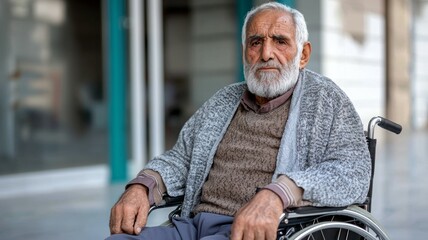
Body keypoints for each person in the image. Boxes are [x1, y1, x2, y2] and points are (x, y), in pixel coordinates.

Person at [107, 2, 371, 240]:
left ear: (303, 54)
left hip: (258, 232)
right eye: (256, 42)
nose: (266, 53)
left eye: (280, 41)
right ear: (245, 51)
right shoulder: (224, 100)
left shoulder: (326, 99)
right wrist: (143, 186)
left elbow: (352, 171)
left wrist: (279, 193)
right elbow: (181, 158)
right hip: (191, 226)